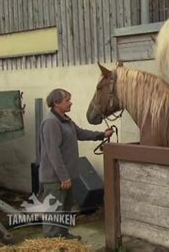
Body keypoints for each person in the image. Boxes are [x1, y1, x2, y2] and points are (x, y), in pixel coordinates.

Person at [39, 88, 113, 240]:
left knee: (65, 210)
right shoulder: (51, 123)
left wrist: (101, 135)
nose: (71, 103)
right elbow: (54, 153)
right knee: (54, 212)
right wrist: (63, 177)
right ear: (56, 103)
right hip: (55, 179)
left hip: (67, 177)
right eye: (67, 100)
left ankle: (63, 237)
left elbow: (81, 133)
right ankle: (51, 243)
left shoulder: (65, 119)